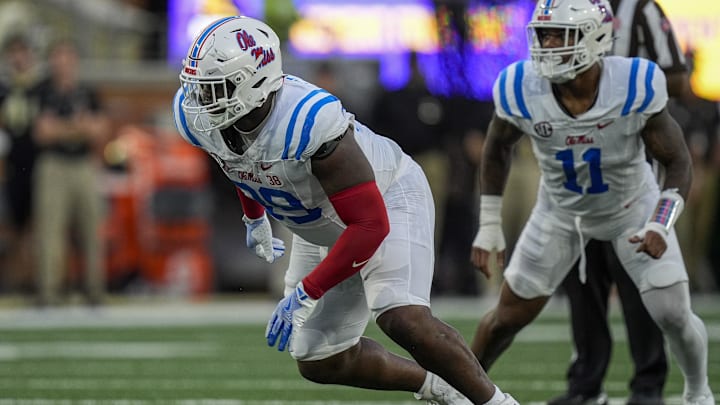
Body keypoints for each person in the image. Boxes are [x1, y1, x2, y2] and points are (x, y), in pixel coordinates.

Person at [172, 16, 517, 405]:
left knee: (402, 319)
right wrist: (254, 217)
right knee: (319, 357)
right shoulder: (201, 118)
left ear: (254, 81)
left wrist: (308, 290)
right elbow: (238, 160)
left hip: (387, 198)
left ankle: (498, 403)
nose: (200, 101)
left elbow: (370, 225)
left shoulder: (307, 121)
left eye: (216, 88)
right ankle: (438, 387)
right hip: (319, 220)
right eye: (198, 88)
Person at [468, 1, 715, 405]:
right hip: (561, 213)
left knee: (671, 312)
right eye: (542, 34)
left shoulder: (633, 82)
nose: (547, 45)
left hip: (632, 208)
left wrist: (660, 223)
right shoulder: (520, 85)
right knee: (505, 319)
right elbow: (497, 148)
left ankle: (697, 391)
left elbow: (678, 162)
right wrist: (490, 224)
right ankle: (456, 392)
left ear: (595, 37)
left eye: (558, 35)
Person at [549, 1, 692, 404]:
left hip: (629, 165)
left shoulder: (640, 8)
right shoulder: (562, 7)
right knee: (583, 277)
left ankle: (648, 386)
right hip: (578, 168)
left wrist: (620, 82)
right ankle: (586, 385)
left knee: (635, 278)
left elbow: (679, 78)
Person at [33, 39, 109, 306]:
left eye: (67, 57)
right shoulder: (42, 91)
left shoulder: (87, 92)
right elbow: (42, 133)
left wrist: (62, 129)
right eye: (58, 57)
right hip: (53, 165)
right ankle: (49, 292)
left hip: (83, 164)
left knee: (92, 230)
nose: (63, 63)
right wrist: (78, 128)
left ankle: (95, 291)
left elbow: (100, 130)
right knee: (51, 232)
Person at [0, 33, 43, 294]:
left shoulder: (41, 87)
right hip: (12, 166)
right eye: (14, 52)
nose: (19, 58)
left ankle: (33, 281)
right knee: (13, 227)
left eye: (23, 51)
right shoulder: (5, 88)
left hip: (39, 163)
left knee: (36, 228)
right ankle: (14, 281)